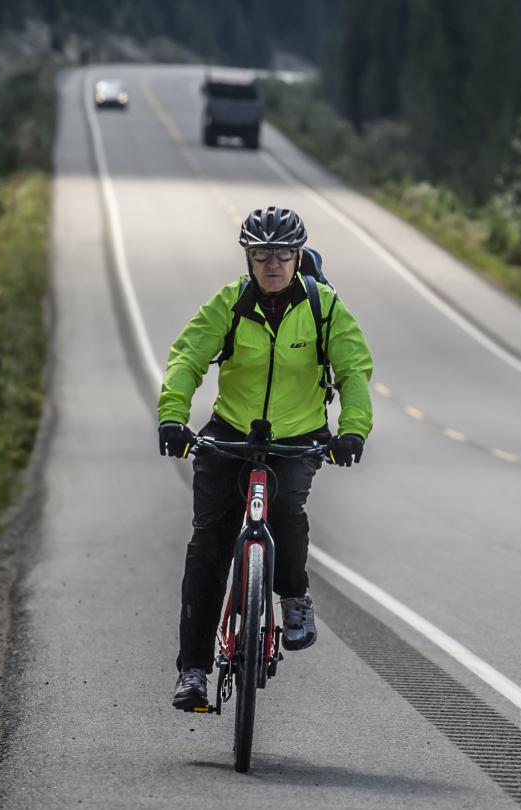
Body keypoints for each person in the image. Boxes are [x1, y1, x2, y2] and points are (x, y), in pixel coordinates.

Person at [158, 206, 373, 710]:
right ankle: (193, 672)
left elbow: (353, 371)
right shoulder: (229, 304)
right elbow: (187, 357)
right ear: (248, 259)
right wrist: (172, 416)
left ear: (298, 256)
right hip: (231, 432)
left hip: (297, 437)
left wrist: (353, 431)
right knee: (209, 544)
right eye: (261, 255)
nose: (272, 264)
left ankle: (293, 597)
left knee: (286, 513)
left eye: (282, 254)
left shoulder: (325, 308)